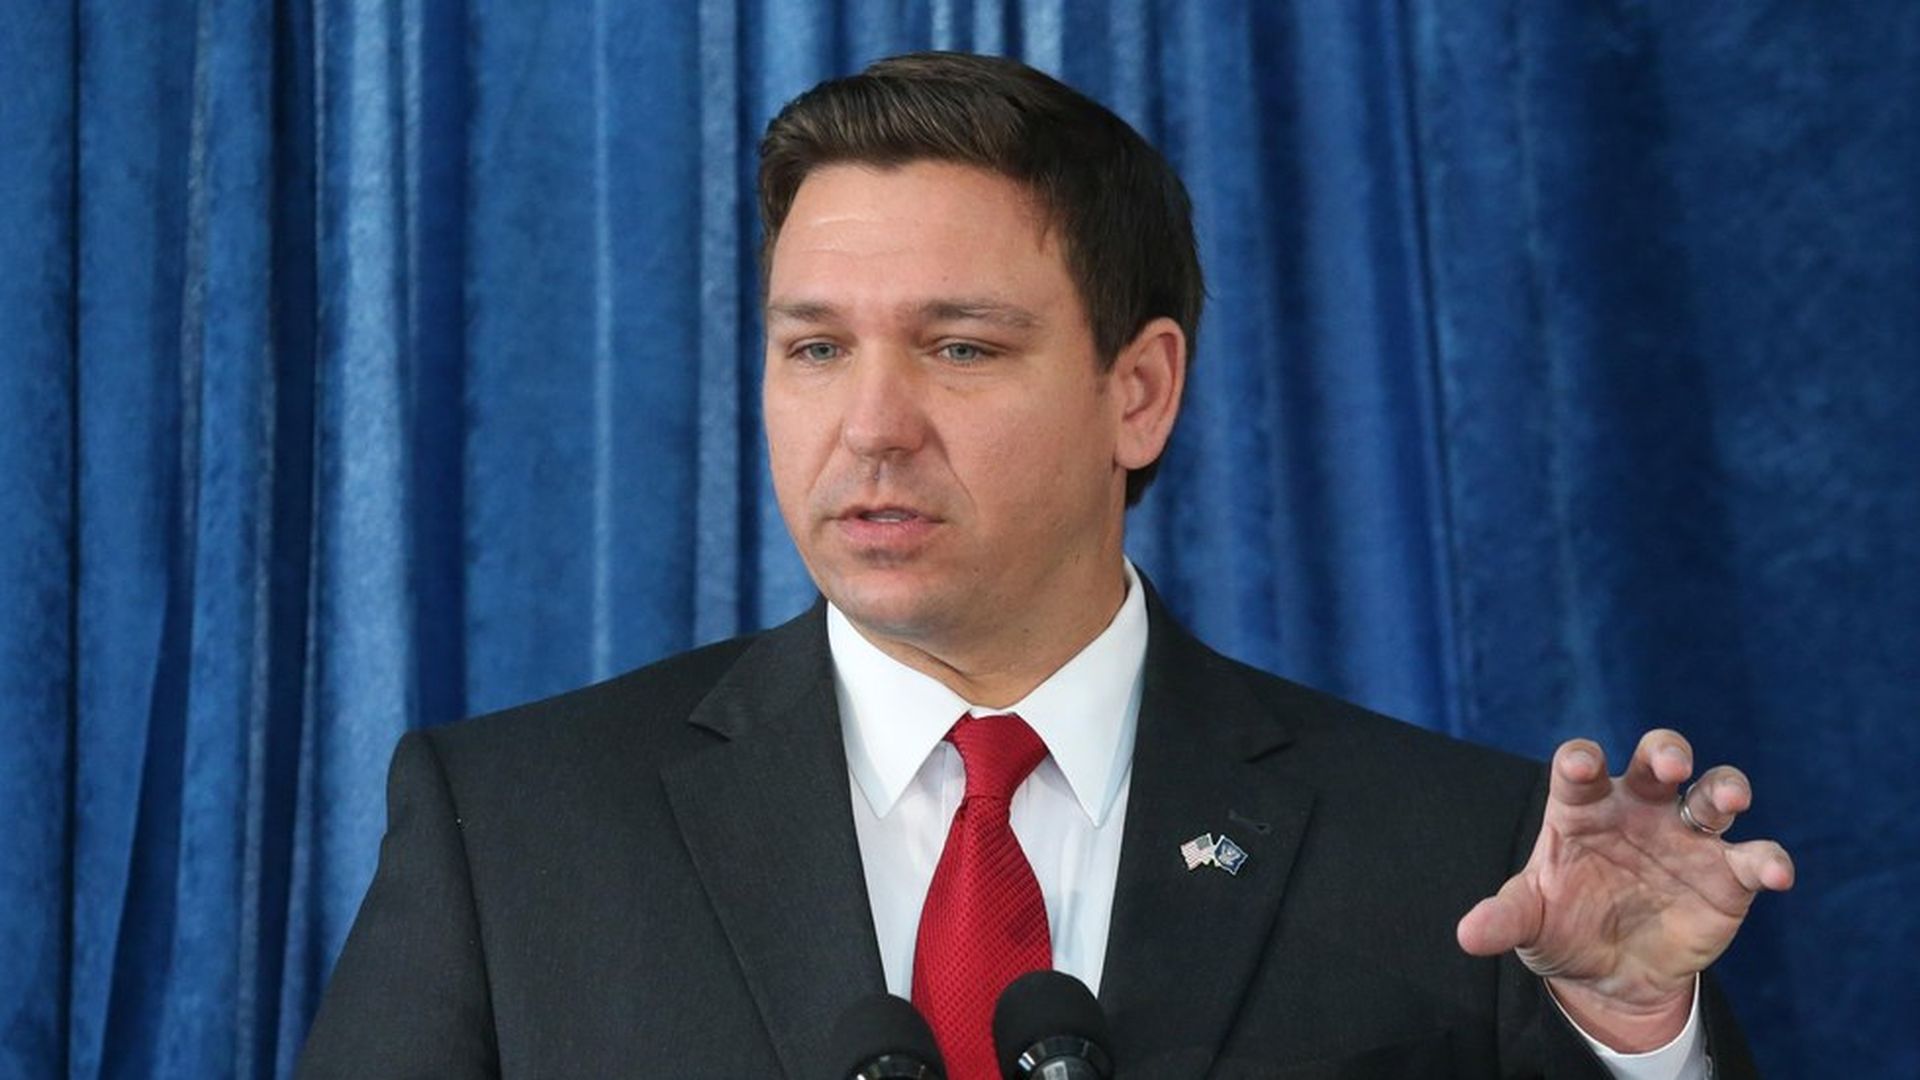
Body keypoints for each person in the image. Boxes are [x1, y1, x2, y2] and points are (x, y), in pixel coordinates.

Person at [298, 52, 1793, 1079]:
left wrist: (1636, 1041)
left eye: (959, 348)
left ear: (1139, 392)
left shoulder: (1463, 857)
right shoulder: (514, 832)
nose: (870, 427)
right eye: (814, 349)